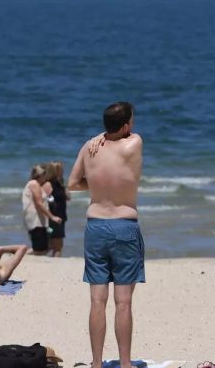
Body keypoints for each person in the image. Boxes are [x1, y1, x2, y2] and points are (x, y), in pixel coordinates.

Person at [68, 101, 144, 368]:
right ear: (125, 126)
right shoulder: (133, 143)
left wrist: (99, 137)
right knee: (123, 302)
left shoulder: (89, 148)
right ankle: (125, 364)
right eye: (131, 120)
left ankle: (97, 363)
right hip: (124, 225)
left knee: (97, 301)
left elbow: (73, 183)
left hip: (96, 227)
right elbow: (127, 135)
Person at [23, 164, 62, 256]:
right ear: (41, 175)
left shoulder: (37, 185)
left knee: (45, 247)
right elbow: (39, 203)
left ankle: (20, 254)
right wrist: (52, 217)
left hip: (39, 220)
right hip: (35, 220)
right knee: (40, 249)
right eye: (45, 175)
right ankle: (19, 254)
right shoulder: (34, 184)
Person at [44, 161, 70, 257]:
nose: (63, 171)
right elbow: (42, 201)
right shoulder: (49, 184)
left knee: (54, 246)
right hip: (54, 218)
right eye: (60, 169)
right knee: (57, 246)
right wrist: (51, 216)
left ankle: (28, 254)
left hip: (60, 217)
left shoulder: (60, 184)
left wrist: (64, 187)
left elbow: (68, 198)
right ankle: (56, 264)